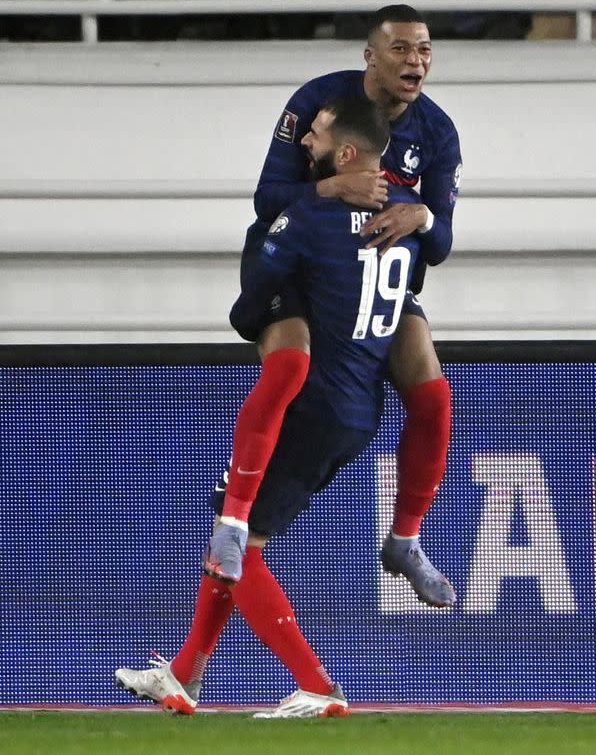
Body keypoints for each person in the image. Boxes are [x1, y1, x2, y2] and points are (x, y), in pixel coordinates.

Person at [115, 94, 441, 718]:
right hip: (362, 406)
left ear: (346, 153)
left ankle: (316, 683)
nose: (305, 145)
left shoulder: (311, 217)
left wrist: (271, 300)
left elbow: (250, 300)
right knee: (236, 537)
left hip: (312, 399)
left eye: (316, 136)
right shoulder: (404, 226)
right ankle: (184, 673)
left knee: (239, 541)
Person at [208, 5, 461, 609]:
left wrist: (422, 215)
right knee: (291, 366)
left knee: (433, 395)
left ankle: (404, 539)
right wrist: (327, 187)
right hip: (297, 264)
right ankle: (235, 523)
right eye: (401, 49)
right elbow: (267, 199)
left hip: (373, 274)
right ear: (370, 56)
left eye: (424, 49)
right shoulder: (318, 102)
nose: (415, 61)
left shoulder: (438, 132)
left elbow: (445, 242)